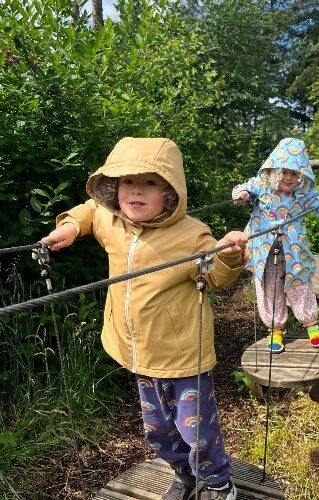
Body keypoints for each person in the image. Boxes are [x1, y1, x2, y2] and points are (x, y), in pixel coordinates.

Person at [42, 137, 247, 500]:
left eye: (149, 182)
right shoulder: (112, 223)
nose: (136, 191)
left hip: (184, 356)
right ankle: (184, 475)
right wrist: (70, 227)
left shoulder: (191, 235)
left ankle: (218, 484)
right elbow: (90, 211)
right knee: (158, 431)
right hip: (140, 353)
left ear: (170, 191)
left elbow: (214, 276)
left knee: (196, 431)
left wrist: (229, 256)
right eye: (127, 181)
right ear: (113, 188)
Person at [232, 137, 319, 354]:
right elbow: (243, 189)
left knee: (300, 285)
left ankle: (312, 325)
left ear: (301, 175)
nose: (289, 178)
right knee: (269, 289)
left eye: (294, 173)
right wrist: (241, 195)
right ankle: (275, 329)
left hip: (294, 251)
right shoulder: (260, 186)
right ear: (273, 170)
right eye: (284, 172)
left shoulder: (304, 194)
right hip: (264, 251)